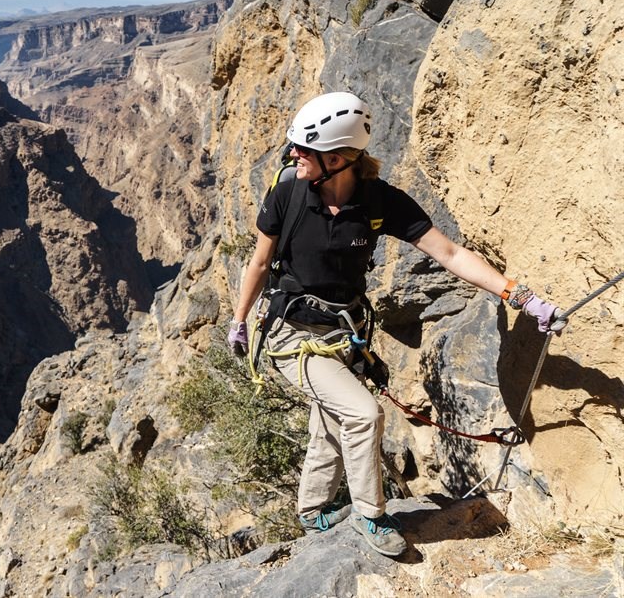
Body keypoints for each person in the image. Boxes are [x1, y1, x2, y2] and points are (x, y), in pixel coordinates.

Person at [227, 91, 566, 557]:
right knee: (364, 414)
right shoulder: (288, 188)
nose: (293, 156)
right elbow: (260, 261)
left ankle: (312, 510)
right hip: (292, 332)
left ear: (340, 158)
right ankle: (371, 515)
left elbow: (449, 254)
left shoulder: (379, 202)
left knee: (332, 418)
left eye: (305, 150)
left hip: (342, 333)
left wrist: (519, 295)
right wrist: (240, 320)